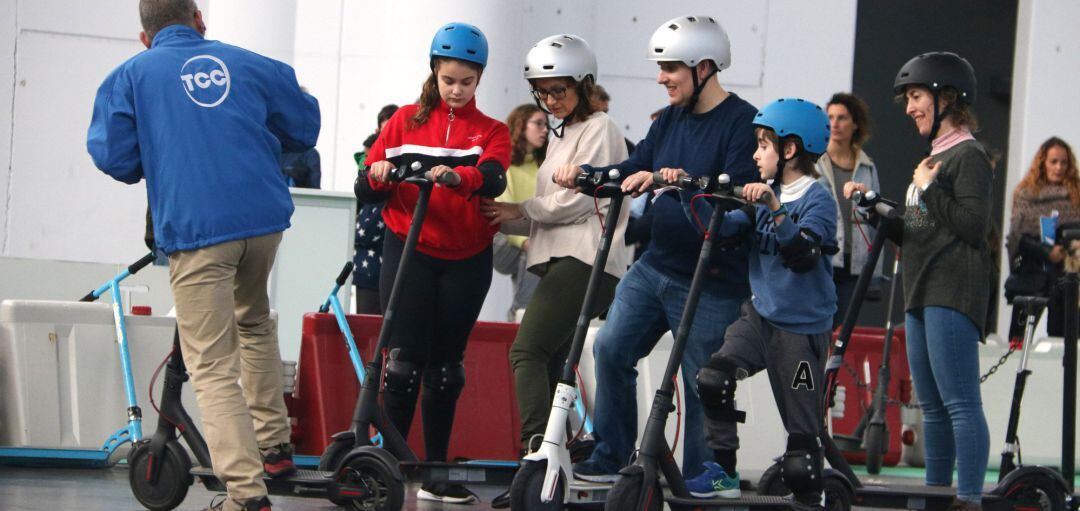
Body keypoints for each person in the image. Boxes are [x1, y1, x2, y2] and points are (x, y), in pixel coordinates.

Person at [86, 1, 320, 510]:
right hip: (262, 222)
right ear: (199, 21)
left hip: (197, 229)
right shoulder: (251, 62)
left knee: (211, 366)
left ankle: (245, 494)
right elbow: (304, 126)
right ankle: (275, 446)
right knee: (254, 322)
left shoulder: (130, 76)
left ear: (145, 37)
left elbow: (114, 156)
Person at [556, 15, 759, 482]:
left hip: (712, 281)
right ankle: (611, 459)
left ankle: (701, 479)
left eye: (670, 68)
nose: (661, 77)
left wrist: (682, 183)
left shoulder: (742, 123)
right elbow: (635, 165)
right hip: (656, 266)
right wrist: (590, 174)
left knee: (700, 382)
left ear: (703, 67)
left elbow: (737, 199)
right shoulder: (670, 119)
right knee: (610, 349)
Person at [353, 21, 510, 504]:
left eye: (466, 81)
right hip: (410, 248)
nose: (457, 90)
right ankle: (391, 465)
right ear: (434, 74)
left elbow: (494, 178)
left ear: (479, 79)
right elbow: (364, 187)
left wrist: (460, 178)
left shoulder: (492, 131)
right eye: (449, 81)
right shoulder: (402, 122)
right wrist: (378, 172)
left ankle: (436, 470)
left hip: (466, 258)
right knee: (402, 365)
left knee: (445, 367)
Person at [848, 51, 992, 511]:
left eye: (915, 96)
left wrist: (928, 188)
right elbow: (918, 231)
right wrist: (879, 212)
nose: (909, 108)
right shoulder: (931, 161)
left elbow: (972, 225)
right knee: (931, 409)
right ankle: (932, 500)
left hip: (952, 290)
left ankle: (967, 499)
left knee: (960, 405)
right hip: (919, 290)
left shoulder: (968, 156)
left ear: (946, 97)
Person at [481, 33, 629, 457]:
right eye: (541, 92)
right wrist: (516, 214)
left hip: (584, 258)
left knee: (526, 351)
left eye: (558, 90)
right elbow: (558, 213)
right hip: (565, 256)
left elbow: (578, 202)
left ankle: (535, 452)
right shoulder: (564, 135)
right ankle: (553, 457)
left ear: (583, 84)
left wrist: (519, 209)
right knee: (546, 360)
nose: (549, 101)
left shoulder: (599, 128)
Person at [689, 98, 836, 508]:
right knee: (713, 379)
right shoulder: (764, 193)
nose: (755, 154)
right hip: (759, 317)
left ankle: (814, 498)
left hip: (801, 332)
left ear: (789, 150)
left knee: (802, 459)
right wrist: (693, 194)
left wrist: (772, 207)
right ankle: (725, 474)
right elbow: (725, 231)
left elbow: (803, 255)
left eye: (763, 145)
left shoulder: (817, 198)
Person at [816, 93, 881, 326]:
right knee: (817, 325)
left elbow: (877, 220)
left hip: (854, 263)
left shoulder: (867, 166)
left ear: (855, 123)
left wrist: (874, 276)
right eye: (830, 117)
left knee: (840, 330)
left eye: (842, 117)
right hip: (823, 258)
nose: (834, 123)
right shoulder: (816, 161)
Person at [1006, 137, 1080, 336]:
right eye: (1054, 161)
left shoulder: (1076, 197)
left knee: (1064, 341)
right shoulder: (1026, 195)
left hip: (1066, 279)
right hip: (1032, 277)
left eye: (1064, 162)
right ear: (1042, 163)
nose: (1059, 167)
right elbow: (1016, 238)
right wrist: (1047, 252)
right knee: (1019, 341)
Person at [491, 103, 548, 320]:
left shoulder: (544, 165)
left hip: (530, 235)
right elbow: (502, 213)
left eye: (546, 125)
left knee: (537, 255)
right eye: (538, 124)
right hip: (500, 237)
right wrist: (527, 242)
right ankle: (519, 315)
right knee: (534, 251)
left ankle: (527, 315)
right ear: (520, 125)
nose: (544, 130)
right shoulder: (505, 162)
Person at [352, 104, 398, 314]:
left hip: (392, 261)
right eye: (384, 130)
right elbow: (364, 227)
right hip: (368, 267)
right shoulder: (369, 160)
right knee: (368, 326)